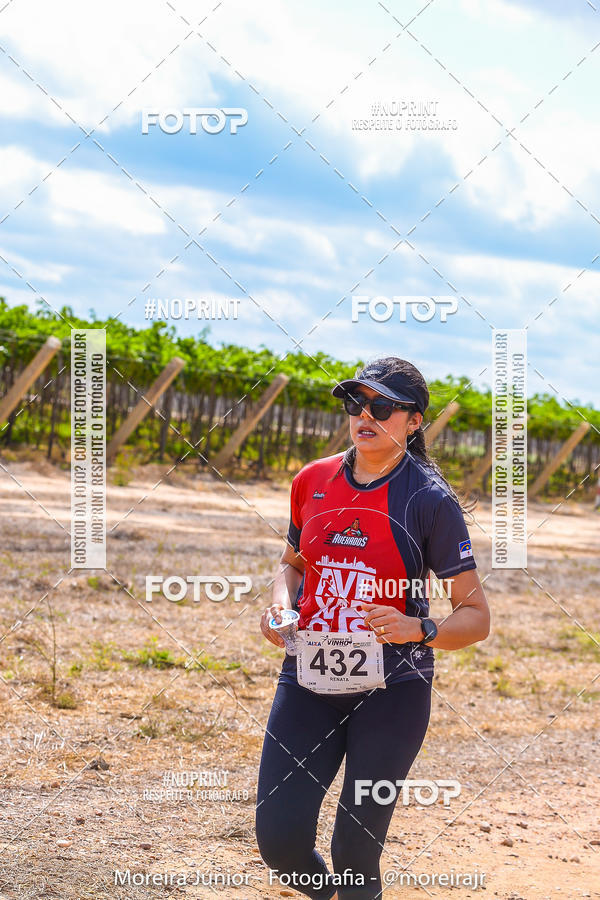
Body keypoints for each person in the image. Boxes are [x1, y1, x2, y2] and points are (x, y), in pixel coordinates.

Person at [256, 357, 490, 899]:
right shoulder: (311, 480)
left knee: (356, 851)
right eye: (355, 404)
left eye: (381, 406)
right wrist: (278, 608)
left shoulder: (429, 500)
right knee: (280, 842)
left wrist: (417, 628)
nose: (364, 415)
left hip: (394, 693)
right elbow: (292, 566)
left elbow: (475, 618)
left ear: (413, 421)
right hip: (308, 679)